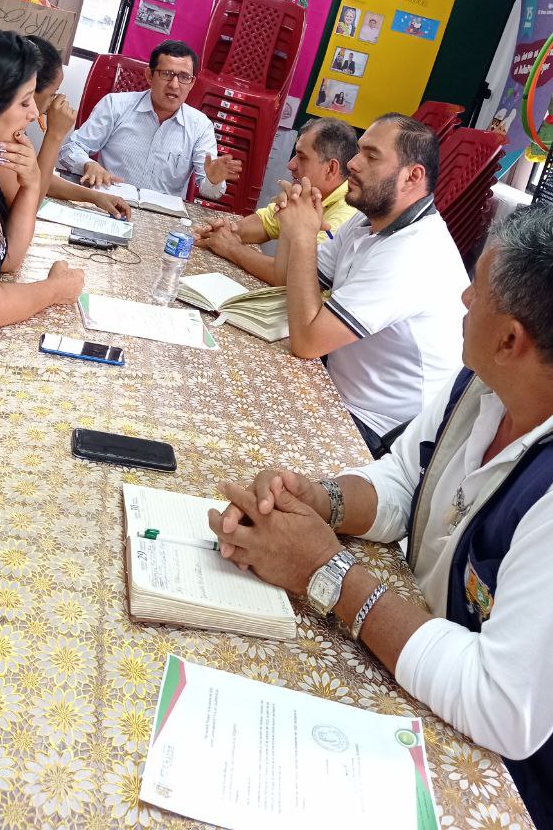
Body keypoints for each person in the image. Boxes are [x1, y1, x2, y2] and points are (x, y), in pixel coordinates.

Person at [209, 205, 553, 830]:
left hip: (498, 781)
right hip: (420, 665)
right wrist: (317, 499)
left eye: (477, 291)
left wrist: (324, 570)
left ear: (511, 341)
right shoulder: (483, 386)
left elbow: (503, 705)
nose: (463, 297)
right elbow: (404, 478)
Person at [271, 113, 468, 453]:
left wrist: (303, 236)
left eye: (371, 156)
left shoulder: (414, 253)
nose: (353, 163)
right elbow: (294, 279)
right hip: (332, 385)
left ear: (412, 177)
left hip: (376, 430)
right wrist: (294, 224)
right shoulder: (367, 221)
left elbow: (307, 342)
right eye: (359, 150)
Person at [0, 27, 84, 330]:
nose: (33, 114)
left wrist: (31, 185)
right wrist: (55, 289)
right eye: (25, 102)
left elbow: (7, 259)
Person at [59, 40, 242, 199]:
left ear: (192, 83)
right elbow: (71, 148)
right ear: (149, 75)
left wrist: (213, 180)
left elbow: (210, 192)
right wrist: (88, 164)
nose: (174, 85)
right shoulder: (115, 105)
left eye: (184, 77)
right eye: (166, 74)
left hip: (161, 216)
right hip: (109, 202)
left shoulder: (200, 126)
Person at [194, 119, 358, 285]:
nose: (291, 165)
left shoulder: (347, 215)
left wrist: (232, 248)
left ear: (330, 169)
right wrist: (227, 230)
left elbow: (296, 276)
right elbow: (266, 222)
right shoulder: (308, 195)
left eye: (302, 157)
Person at [0, 36, 132, 220]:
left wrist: (94, 197)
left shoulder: (14, 128)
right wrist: (54, 135)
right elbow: (28, 207)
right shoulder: (2, 136)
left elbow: (36, 176)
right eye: (53, 93)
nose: (54, 100)